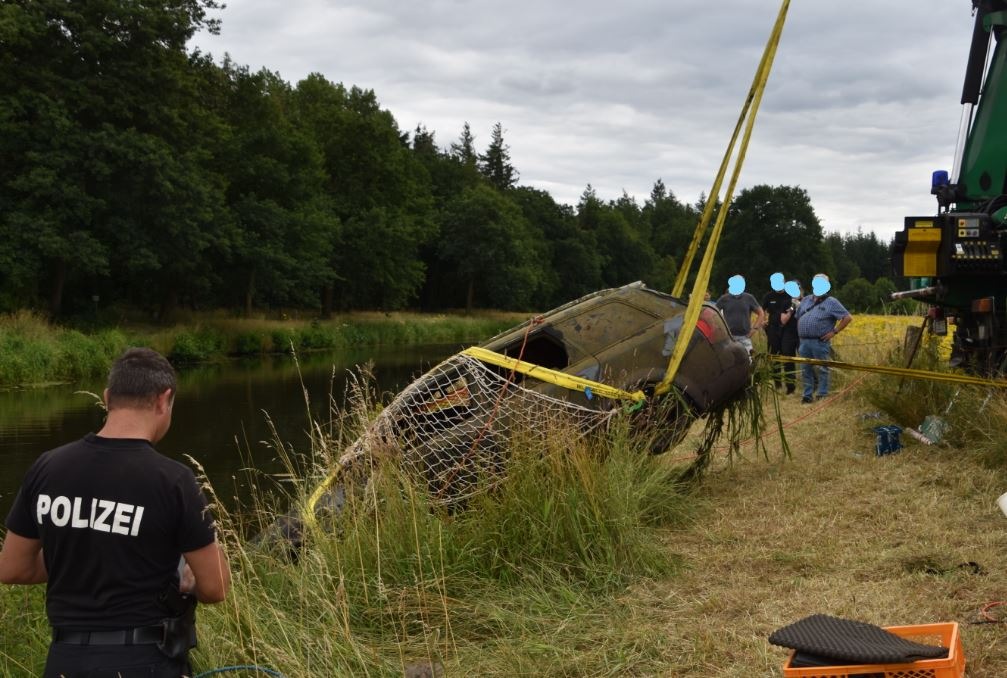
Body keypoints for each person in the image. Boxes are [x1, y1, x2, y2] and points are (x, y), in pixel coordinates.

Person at [0, 347, 231, 677]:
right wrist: (183, 577)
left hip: (65, 661)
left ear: (107, 397)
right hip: (146, 661)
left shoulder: (48, 467)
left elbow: (12, 568)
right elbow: (216, 587)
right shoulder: (174, 480)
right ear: (164, 400)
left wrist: (84, 555)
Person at [795, 274, 853, 403]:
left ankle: (822, 394)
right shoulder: (806, 300)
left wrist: (834, 331)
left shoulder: (832, 302)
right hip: (804, 341)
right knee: (806, 369)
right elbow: (798, 316)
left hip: (819, 341)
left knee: (822, 368)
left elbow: (847, 317)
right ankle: (807, 395)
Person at [761, 273, 799, 394]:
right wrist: (762, 321)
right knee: (774, 356)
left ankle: (790, 386)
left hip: (789, 329)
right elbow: (761, 310)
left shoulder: (790, 294)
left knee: (788, 355)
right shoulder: (768, 296)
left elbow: (797, 305)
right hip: (773, 328)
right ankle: (777, 384)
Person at [716, 274, 766, 354]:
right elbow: (714, 313)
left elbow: (761, 313)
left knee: (748, 362)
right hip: (728, 337)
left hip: (745, 337)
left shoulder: (749, 298)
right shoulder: (724, 298)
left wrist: (755, 329)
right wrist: (719, 329)